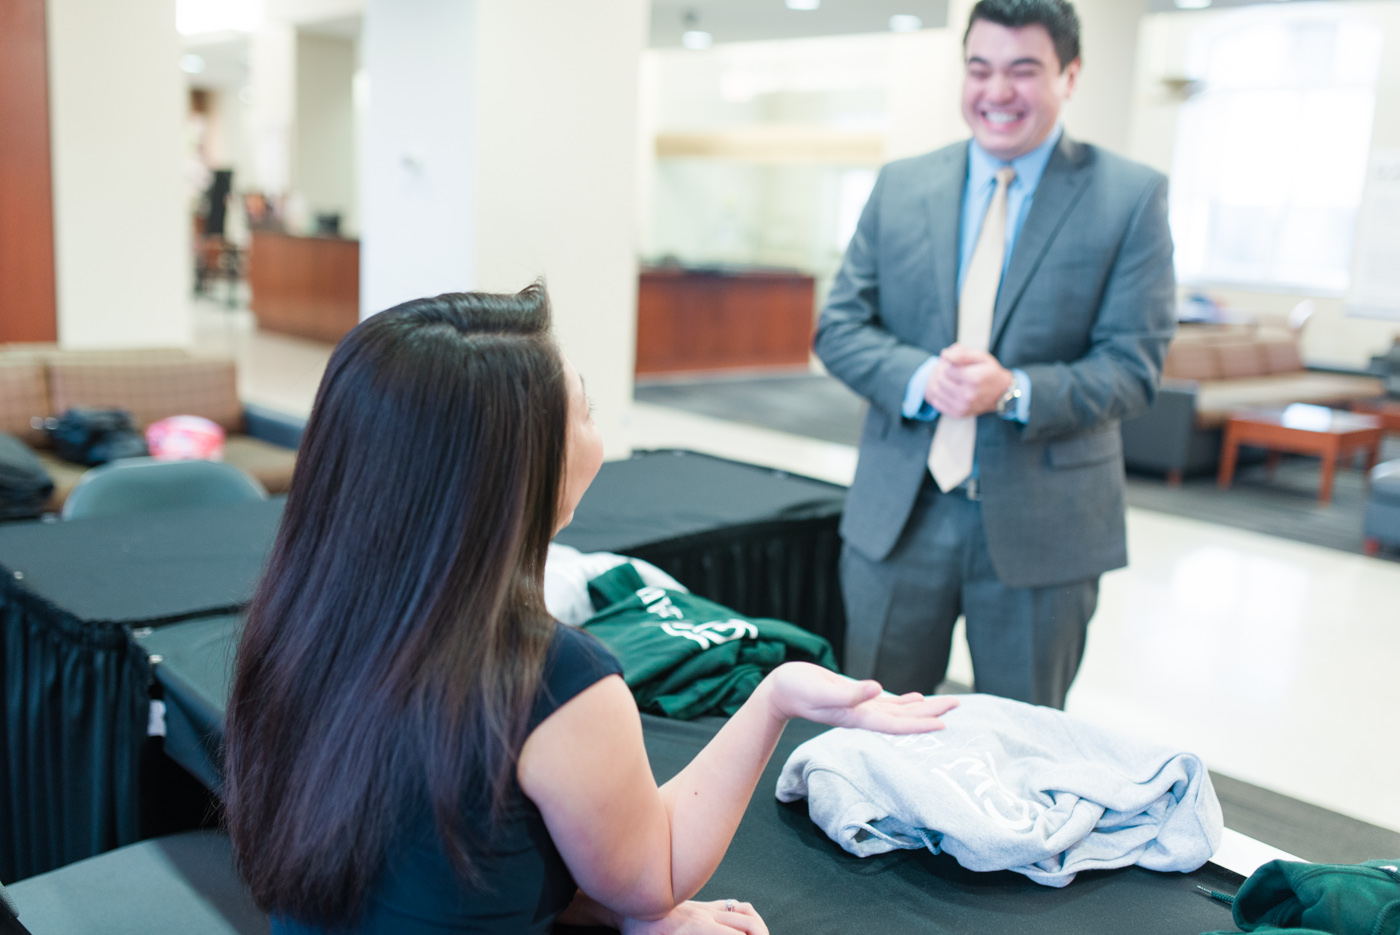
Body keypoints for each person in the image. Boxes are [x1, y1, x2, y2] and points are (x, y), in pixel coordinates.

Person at [223, 284, 958, 935]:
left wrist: (604, 904)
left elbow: (445, 858)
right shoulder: (549, 676)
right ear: (518, 469)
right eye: (586, 412)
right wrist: (776, 696)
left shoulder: (304, 621)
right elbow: (655, 873)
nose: (600, 439)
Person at [814, 0, 1175, 710]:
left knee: (1023, 750)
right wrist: (922, 378)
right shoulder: (900, 186)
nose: (997, 92)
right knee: (875, 734)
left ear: (1070, 75)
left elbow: (1134, 367)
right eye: (980, 68)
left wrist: (1012, 390)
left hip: (1046, 528)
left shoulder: (1129, 198)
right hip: (902, 515)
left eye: (1024, 70)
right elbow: (840, 328)